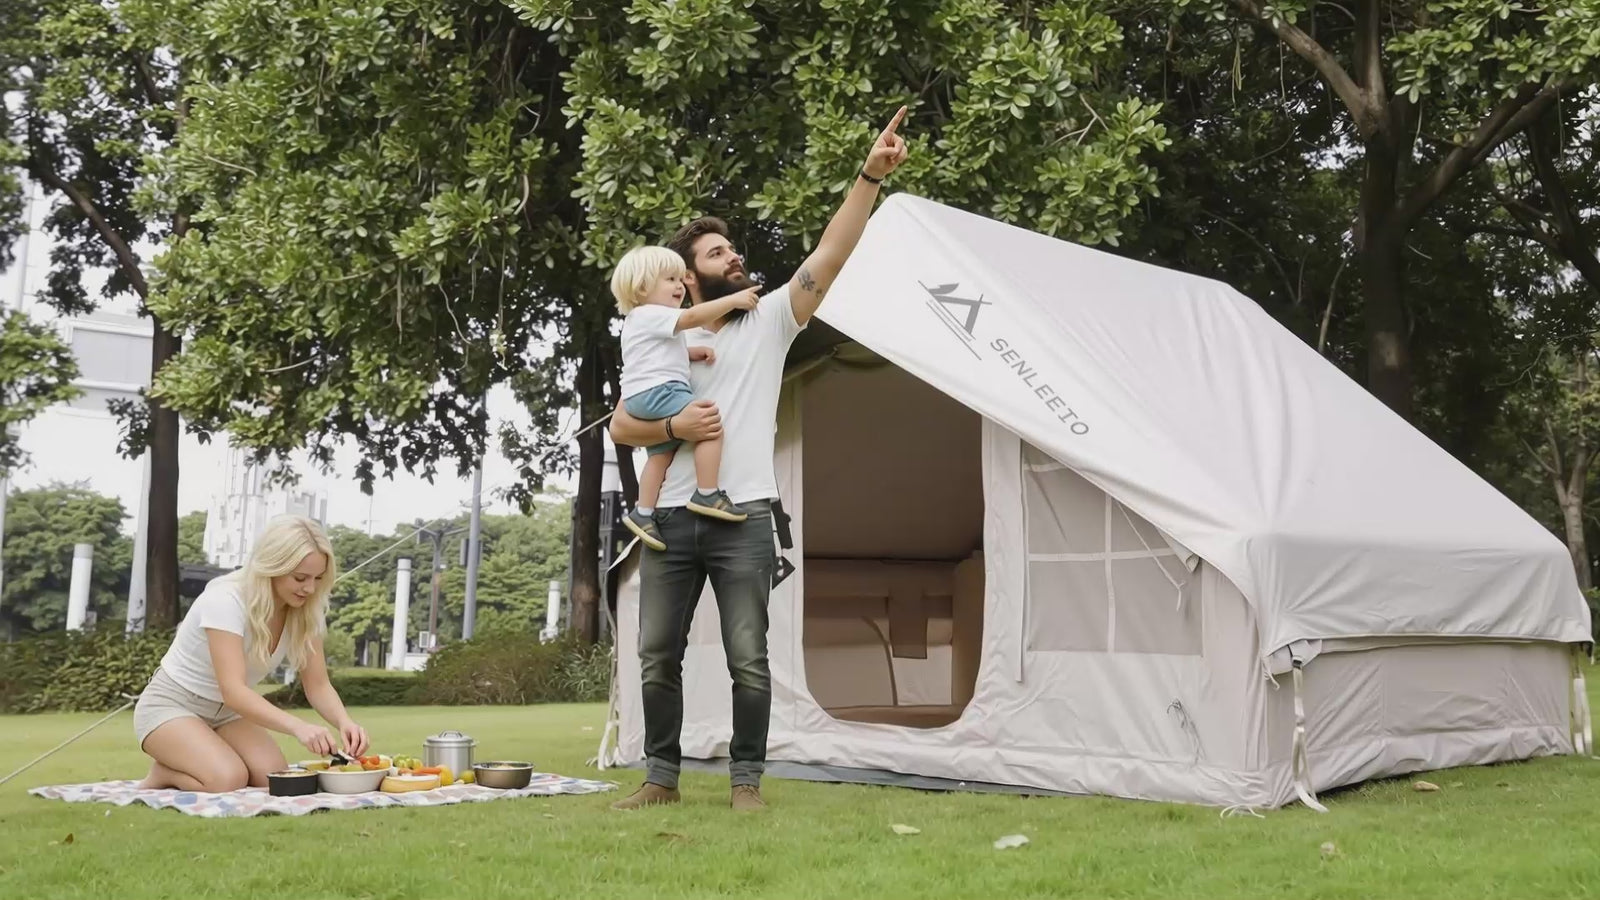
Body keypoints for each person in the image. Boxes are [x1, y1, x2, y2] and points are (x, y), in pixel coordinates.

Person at [607, 106, 910, 812]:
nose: (733, 258)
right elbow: (621, 426)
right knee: (657, 655)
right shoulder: (662, 340)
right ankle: (659, 779)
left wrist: (869, 176)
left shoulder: (771, 320)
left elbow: (831, 254)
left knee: (749, 657)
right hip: (668, 521)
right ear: (686, 278)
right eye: (717, 254)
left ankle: (746, 782)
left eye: (732, 249)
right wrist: (673, 424)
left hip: (742, 515)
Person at [133, 514, 369, 792]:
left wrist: (344, 722)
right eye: (300, 578)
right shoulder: (226, 600)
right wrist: (299, 727)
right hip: (172, 705)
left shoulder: (307, 611)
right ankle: (164, 773)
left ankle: (202, 758)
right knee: (228, 778)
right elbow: (233, 690)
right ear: (273, 567)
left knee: (272, 775)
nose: (310, 588)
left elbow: (317, 684)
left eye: (318, 578)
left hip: (227, 714)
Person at [610, 244, 765, 552]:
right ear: (641, 288)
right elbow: (693, 316)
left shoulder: (643, 322)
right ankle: (707, 493)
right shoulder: (651, 313)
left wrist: (690, 352)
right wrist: (732, 300)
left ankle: (643, 512)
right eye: (670, 279)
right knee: (708, 425)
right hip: (662, 390)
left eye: (680, 279)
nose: (679, 286)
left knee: (660, 455)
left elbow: (658, 354)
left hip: (641, 397)